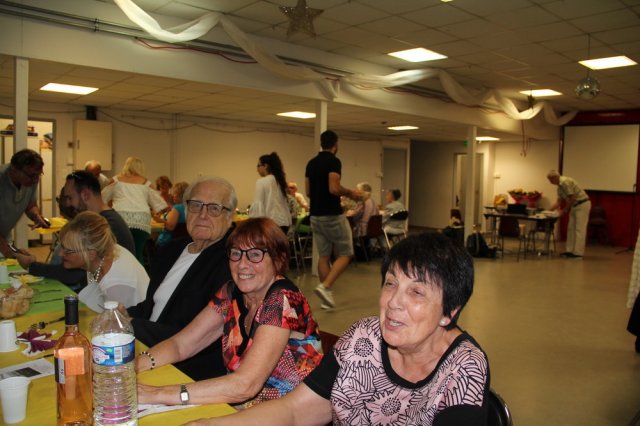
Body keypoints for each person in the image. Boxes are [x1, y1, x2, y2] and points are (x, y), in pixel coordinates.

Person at [186, 232, 490, 426]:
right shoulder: (364, 339)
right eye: (390, 284)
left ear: (449, 311)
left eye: (417, 292)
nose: (394, 302)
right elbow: (293, 411)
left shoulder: (464, 369)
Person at [136, 217, 322, 408]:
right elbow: (180, 345)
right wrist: (133, 368)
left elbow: (245, 385)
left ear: (278, 260)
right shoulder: (230, 293)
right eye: (236, 253)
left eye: (255, 255)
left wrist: (159, 394)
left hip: (288, 413)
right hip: (240, 408)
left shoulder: (283, 300)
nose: (242, 264)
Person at [125, 176, 236, 380]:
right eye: (196, 205)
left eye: (214, 208)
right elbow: (154, 305)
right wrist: (123, 313)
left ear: (230, 217)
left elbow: (194, 336)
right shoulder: (170, 250)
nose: (202, 215)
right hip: (144, 347)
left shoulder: (231, 263)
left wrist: (132, 325)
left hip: (185, 370)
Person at [15, 171, 136, 288]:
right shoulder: (104, 220)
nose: (68, 204)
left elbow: (73, 275)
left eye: (70, 198)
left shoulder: (105, 227)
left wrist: (31, 265)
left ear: (85, 195)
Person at [305, 130, 362, 309]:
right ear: (335, 145)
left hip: (315, 215)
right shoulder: (334, 161)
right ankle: (325, 286)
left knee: (324, 255)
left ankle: (325, 300)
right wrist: (351, 193)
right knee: (346, 253)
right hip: (332, 215)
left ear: (321, 143)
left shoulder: (311, 163)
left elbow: (308, 192)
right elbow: (334, 188)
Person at [59, 211, 149, 313]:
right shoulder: (100, 253)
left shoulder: (115, 284)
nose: (61, 254)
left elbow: (116, 321)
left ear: (91, 254)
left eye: (68, 251)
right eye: (62, 247)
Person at [102, 156, 169, 263]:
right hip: (141, 220)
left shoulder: (115, 180)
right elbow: (162, 206)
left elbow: (102, 199)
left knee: (118, 254)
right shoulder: (146, 183)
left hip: (120, 218)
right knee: (137, 254)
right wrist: (152, 212)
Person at [0, 149, 49, 258]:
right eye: (32, 175)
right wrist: (11, 254)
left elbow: (31, 205)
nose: (35, 180)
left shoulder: (31, 180)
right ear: (14, 170)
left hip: (4, 237)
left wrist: (36, 215)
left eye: (39, 175)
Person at [547, 170, 591, 258]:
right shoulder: (559, 188)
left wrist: (565, 210)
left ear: (555, 177)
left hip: (582, 204)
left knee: (579, 230)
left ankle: (578, 253)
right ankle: (570, 251)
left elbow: (572, 197)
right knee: (571, 229)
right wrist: (547, 211)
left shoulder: (565, 182)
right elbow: (559, 202)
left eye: (550, 180)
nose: (550, 182)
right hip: (574, 206)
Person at [249, 152, 292, 234]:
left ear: (265, 166)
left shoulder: (261, 182)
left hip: (271, 225)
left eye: (258, 165)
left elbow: (258, 207)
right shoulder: (280, 181)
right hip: (284, 224)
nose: (257, 170)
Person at [154, 181, 188, 247]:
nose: (172, 196)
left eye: (175, 193)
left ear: (180, 194)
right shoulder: (190, 207)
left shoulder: (177, 208)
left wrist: (159, 220)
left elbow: (170, 227)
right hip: (185, 242)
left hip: (168, 242)